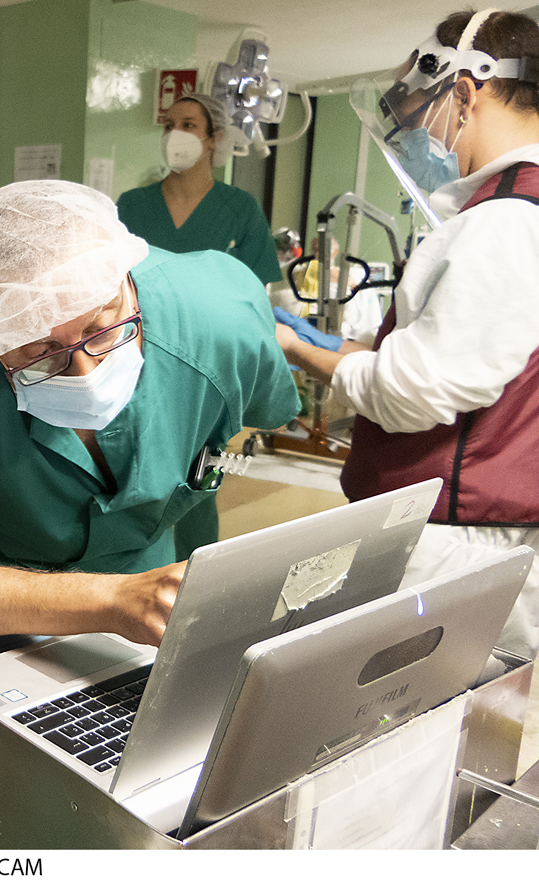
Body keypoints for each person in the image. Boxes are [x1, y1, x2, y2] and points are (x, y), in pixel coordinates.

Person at [0, 180, 300, 642]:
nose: (84, 372)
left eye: (103, 328)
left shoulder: (217, 320)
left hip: (151, 591)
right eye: (40, 351)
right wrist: (111, 600)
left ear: (127, 281)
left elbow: (272, 412)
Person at [275, 8, 539, 659]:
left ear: (465, 91)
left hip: (453, 544)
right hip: (481, 538)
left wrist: (299, 348)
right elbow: (472, 370)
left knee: (396, 736)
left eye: (415, 106)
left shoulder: (500, 227)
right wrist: (344, 350)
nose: (413, 132)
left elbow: (411, 393)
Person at [117, 92, 282, 561]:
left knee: (196, 490)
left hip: (210, 379)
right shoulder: (131, 206)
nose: (176, 134)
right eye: (169, 123)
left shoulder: (240, 210)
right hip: (137, 367)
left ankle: (193, 583)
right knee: (132, 486)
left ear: (215, 139)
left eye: (189, 124)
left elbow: (253, 303)